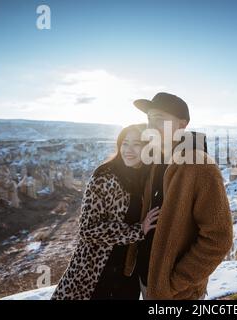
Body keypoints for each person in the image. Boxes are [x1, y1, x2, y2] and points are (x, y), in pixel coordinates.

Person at [124, 92, 233, 300]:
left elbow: (219, 239)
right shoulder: (158, 160)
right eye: (149, 119)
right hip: (148, 281)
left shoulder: (200, 166)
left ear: (182, 125)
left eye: (159, 119)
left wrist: (174, 283)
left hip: (177, 293)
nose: (151, 126)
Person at [51, 124, 159, 300]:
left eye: (136, 144)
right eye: (125, 143)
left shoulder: (145, 179)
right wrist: (138, 231)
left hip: (128, 272)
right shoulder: (104, 176)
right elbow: (87, 229)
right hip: (96, 269)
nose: (128, 150)